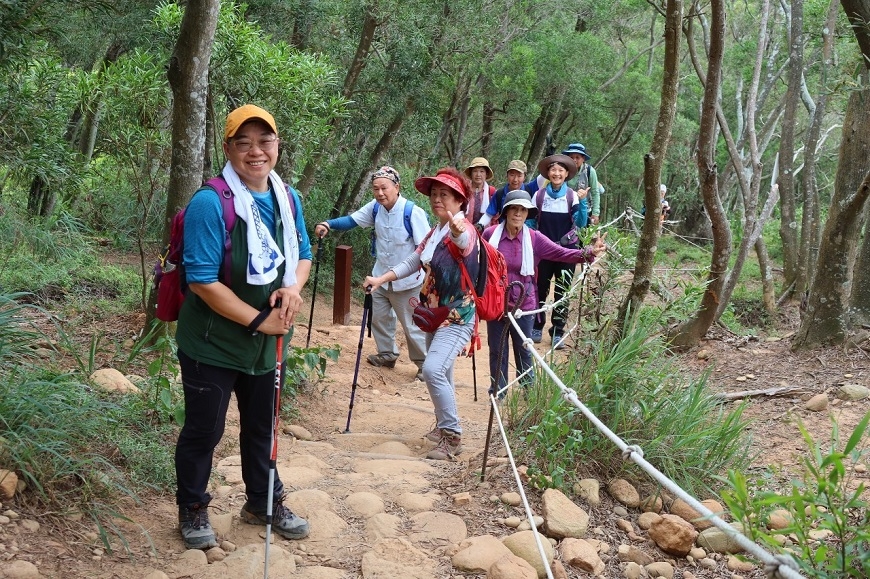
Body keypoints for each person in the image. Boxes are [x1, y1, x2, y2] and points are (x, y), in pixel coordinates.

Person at [174, 104, 312, 550]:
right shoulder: (210, 203)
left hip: (268, 345)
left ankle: (262, 502)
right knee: (205, 430)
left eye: (264, 141)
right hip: (213, 345)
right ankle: (193, 507)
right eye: (244, 142)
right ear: (228, 147)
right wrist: (259, 319)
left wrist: (292, 290)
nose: (256, 151)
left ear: (277, 145)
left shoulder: (288, 199)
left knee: (263, 426)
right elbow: (201, 281)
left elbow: (304, 255)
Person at [364, 167, 479, 461]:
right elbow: (414, 260)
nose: (437, 199)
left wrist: (457, 232)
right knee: (443, 373)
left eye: (445, 194)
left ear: (460, 200)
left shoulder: (463, 229)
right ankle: (443, 427)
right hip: (433, 312)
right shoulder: (435, 230)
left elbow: (463, 243)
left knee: (431, 369)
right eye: (434, 194)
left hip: (458, 315)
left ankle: (452, 437)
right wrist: (381, 279)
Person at [483, 191, 607, 393]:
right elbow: (479, 263)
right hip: (496, 302)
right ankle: (498, 390)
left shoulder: (534, 238)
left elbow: (562, 253)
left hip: (524, 303)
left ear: (527, 214)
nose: (518, 213)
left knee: (524, 348)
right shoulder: (490, 235)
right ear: (506, 211)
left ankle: (528, 392)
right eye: (514, 208)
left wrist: (588, 252)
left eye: (523, 210)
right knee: (497, 350)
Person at [314, 167, 430, 381]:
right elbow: (352, 221)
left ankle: (424, 364)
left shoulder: (413, 213)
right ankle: (387, 354)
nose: (379, 193)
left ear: (397, 187)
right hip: (380, 278)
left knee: (412, 325)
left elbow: (424, 251)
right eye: (375, 189)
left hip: (408, 282)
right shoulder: (375, 208)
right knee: (379, 318)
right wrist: (328, 224)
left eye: (384, 188)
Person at [527, 153, 585, 349]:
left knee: (562, 291)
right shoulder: (539, 196)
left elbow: (581, 223)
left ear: (567, 174)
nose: (557, 173)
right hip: (543, 252)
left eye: (561, 170)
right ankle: (537, 325)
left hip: (566, 251)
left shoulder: (572, 196)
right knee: (539, 288)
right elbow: (531, 221)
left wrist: (583, 203)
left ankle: (558, 331)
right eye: (553, 170)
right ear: (548, 173)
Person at [477, 159, 534, 231]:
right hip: (504, 232)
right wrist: (480, 224)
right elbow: (489, 213)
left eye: (519, 176)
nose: (515, 179)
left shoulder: (530, 189)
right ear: (507, 175)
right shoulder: (499, 194)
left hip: (525, 232)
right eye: (512, 175)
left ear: (524, 177)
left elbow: (542, 179)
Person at [562, 143, 600, 226]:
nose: (574, 160)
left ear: (583, 159)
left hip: (584, 209)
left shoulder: (590, 171)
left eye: (577, 157)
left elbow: (595, 192)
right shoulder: (562, 170)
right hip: (565, 208)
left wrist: (595, 213)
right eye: (571, 157)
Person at [464, 157, 496, 226]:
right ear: (471, 174)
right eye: (475, 171)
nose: (478, 175)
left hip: (485, 233)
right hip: (465, 230)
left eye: (482, 171)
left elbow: (495, 215)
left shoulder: (491, 192)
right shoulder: (464, 190)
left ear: (486, 174)